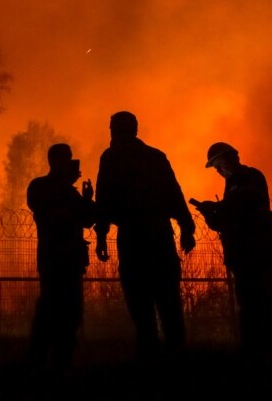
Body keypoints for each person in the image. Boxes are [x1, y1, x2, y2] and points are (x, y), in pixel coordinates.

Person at [191, 142, 272, 354]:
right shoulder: (232, 185)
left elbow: (245, 201)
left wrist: (219, 207)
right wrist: (210, 214)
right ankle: (256, 354)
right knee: (250, 308)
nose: (218, 171)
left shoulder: (251, 177)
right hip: (244, 259)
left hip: (264, 255)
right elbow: (230, 218)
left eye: (218, 165)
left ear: (230, 159)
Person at [93, 111, 196, 360]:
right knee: (168, 297)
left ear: (114, 130)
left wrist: (102, 236)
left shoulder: (111, 157)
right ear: (135, 129)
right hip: (160, 235)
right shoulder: (155, 157)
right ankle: (177, 351)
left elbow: (104, 199)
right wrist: (186, 228)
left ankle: (149, 351)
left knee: (139, 300)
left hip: (132, 237)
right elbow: (174, 193)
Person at [26, 143, 96, 372]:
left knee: (72, 312)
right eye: (65, 158)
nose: (69, 162)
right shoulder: (40, 186)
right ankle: (39, 358)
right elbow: (48, 212)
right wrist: (67, 191)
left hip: (72, 260)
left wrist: (86, 198)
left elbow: (86, 220)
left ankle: (61, 360)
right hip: (53, 258)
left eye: (70, 158)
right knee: (50, 309)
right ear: (54, 161)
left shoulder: (70, 192)